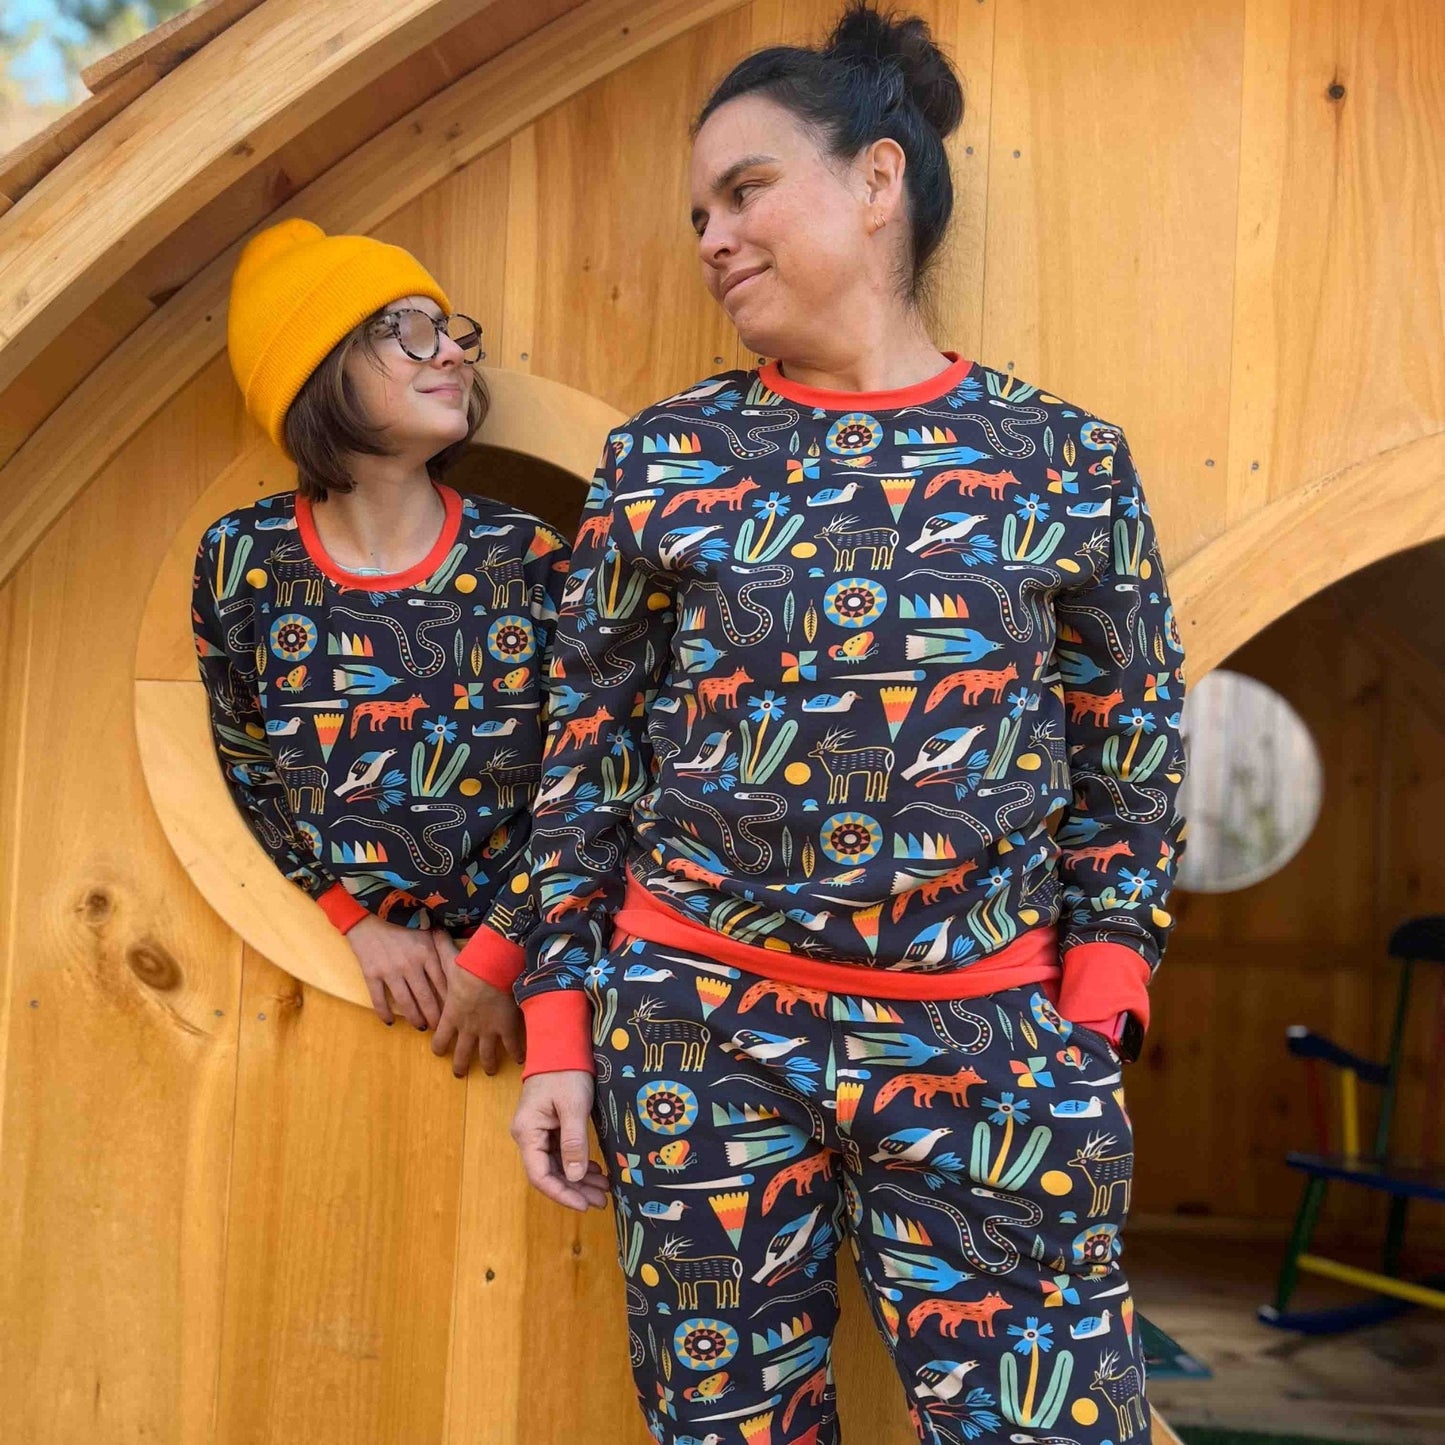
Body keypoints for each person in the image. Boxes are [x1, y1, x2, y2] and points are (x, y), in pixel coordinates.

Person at [510, 5, 1187, 1439]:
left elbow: (1131, 738)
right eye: (699, 213)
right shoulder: (664, 457)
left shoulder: (1060, 458)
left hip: (986, 1036)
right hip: (698, 1032)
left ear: (877, 179)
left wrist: (1097, 997)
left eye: (744, 189)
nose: (712, 236)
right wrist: (559, 1026)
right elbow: (586, 758)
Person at [193, 219, 568, 1077]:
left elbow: (592, 771)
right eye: (410, 331)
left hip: (536, 972)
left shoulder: (528, 554)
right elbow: (248, 762)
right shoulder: (242, 560)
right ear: (320, 369)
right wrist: (352, 918)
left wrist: (500, 951)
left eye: (451, 331)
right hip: (334, 990)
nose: (453, 352)